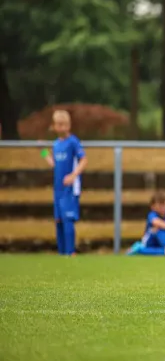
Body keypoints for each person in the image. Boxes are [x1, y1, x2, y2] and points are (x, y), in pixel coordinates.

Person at [41, 110, 88, 256]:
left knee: (68, 219)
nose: (61, 127)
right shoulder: (56, 144)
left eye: (64, 124)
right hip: (58, 188)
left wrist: (73, 175)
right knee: (59, 220)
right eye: (59, 124)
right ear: (54, 126)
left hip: (70, 188)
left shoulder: (73, 142)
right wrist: (42, 152)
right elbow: (54, 163)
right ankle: (61, 253)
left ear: (69, 125)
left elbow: (84, 160)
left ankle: (70, 252)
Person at [127, 191, 165, 256]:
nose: (163, 207)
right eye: (160, 205)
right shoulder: (152, 215)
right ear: (153, 207)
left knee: (164, 248)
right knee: (157, 230)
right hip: (149, 242)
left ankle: (141, 250)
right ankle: (139, 249)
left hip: (162, 243)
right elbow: (157, 223)